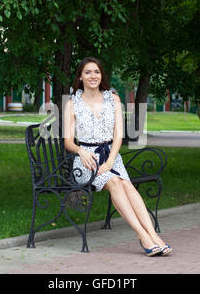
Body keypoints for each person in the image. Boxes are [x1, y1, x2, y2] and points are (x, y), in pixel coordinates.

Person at [63, 57, 172, 257]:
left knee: (126, 184)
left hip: (112, 156)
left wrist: (112, 160)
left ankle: (153, 235)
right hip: (87, 161)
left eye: (96, 72)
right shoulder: (73, 103)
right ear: (80, 77)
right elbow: (68, 141)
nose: (93, 76)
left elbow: (118, 136)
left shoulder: (113, 99)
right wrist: (81, 151)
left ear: (101, 75)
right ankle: (143, 237)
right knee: (114, 182)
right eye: (88, 72)